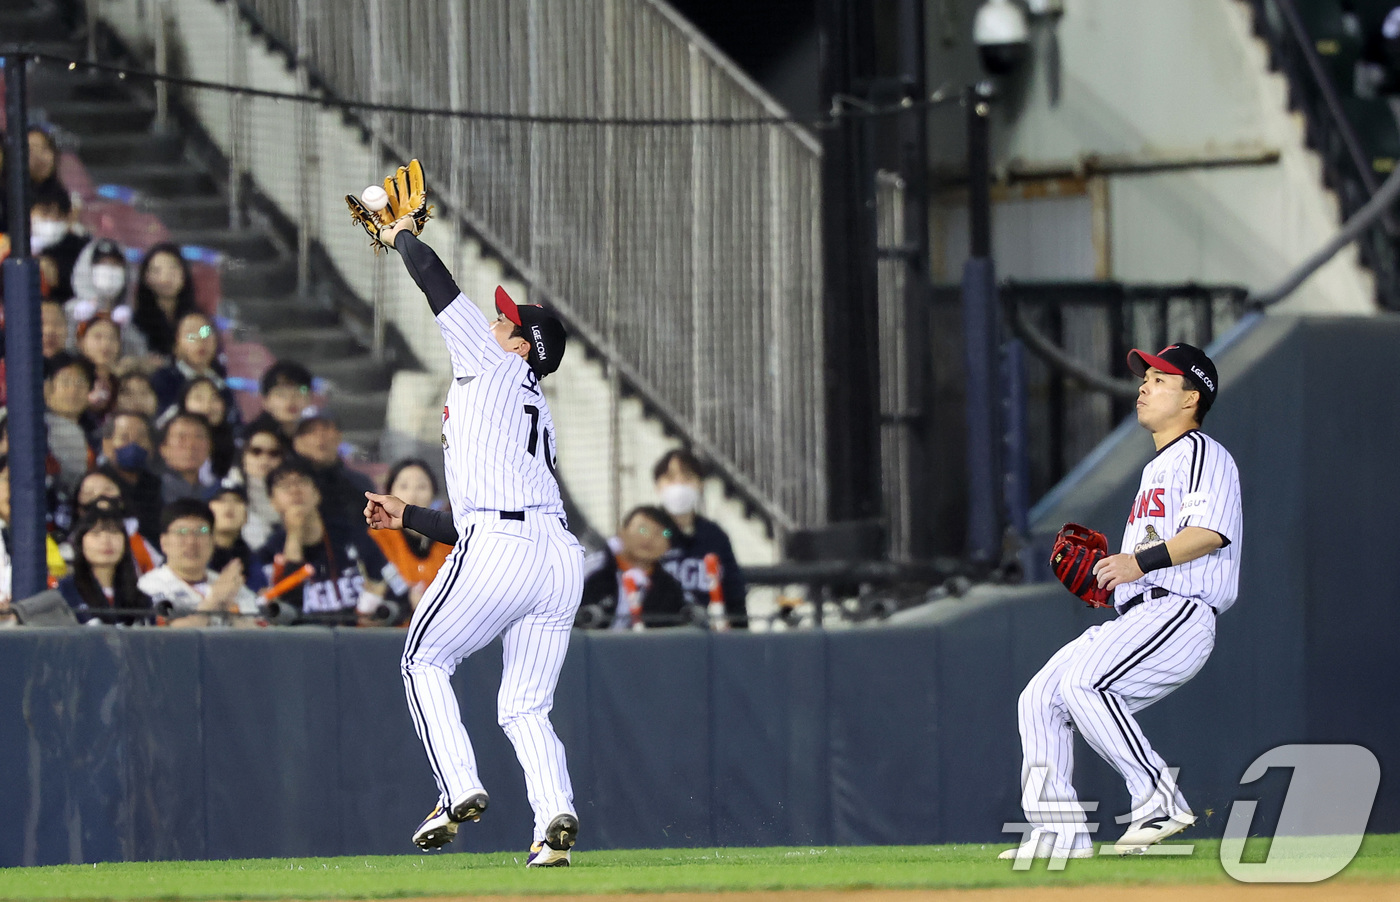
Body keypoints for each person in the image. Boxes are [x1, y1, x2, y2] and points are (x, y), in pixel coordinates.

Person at [361, 214, 582, 866]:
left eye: (507, 321)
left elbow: (437, 284)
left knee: (422, 661)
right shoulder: (530, 403)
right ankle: (553, 821)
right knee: (524, 706)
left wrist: (401, 234)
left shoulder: (488, 362)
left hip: (503, 545)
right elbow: (471, 518)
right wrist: (408, 517)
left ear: (518, 346)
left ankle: (456, 788)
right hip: (557, 554)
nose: (495, 321)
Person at [1001, 343, 1241, 862]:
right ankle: (1059, 832)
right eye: (1145, 378)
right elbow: (1156, 551)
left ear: (1190, 398)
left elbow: (1209, 533)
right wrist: (1116, 580)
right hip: (1144, 610)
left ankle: (1158, 800)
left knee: (1085, 681)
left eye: (1160, 380)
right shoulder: (1159, 466)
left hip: (1180, 610)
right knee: (1040, 698)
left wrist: (1137, 564)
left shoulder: (1203, 453)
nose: (1143, 387)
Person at [259, 458, 405, 624]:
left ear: (317, 494)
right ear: (273, 502)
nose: (295, 490)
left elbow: (400, 595)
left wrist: (381, 616)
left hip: (360, 640)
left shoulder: (353, 536)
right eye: (285, 485)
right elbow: (285, 613)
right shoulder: (269, 553)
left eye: (302, 482)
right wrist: (293, 538)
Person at [652, 449, 747, 629]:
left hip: (707, 636)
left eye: (687, 478)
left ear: (700, 485)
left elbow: (734, 591)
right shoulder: (648, 531)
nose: (679, 484)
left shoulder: (713, 535)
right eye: (670, 478)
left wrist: (737, 628)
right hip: (658, 635)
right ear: (658, 486)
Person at [138, 498, 259, 628]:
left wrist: (231, 607)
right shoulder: (150, 585)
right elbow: (169, 638)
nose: (191, 541)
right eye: (182, 532)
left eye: (201, 531)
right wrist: (215, 600)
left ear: (213, 541)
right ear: (164, 542)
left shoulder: (227, 585)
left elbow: (258, 635)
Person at [579, 506, 690, 630]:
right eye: (643, 530)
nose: (649, 539)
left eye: (662, 534)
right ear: (621, 532)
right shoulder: (593, 568)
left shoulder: (669, 588)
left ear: (668, 547)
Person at [368, 459, 453, 612]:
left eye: (421, 487)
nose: (412, 495)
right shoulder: (376, 538)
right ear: (389, 493)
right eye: (403, 486)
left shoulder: (449, 539)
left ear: (433, 492)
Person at [53, 504, 153, 625]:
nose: (106, 540)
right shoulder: (65, 592)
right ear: (80, 543)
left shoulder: (141, 598)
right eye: (96, 533)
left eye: (114, 532)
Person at [291, 414, 376, 529]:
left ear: (339, 436)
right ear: (296, 442)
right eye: (310, 431)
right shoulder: (288, 484)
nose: (320, 437)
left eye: (326, 429)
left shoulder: (360, 484)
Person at [72, 468, 162, 574]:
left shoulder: (140, 535)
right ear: (79, 508)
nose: (100, 496)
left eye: (107, 490)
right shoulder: (71, 543)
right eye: (89, 493)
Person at [96, 410, 164, 542]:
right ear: (106, 445)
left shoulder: (156, 485)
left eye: (140, 438)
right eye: (124, 438)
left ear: (151, 447)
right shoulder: (97, 484)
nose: (133, 445)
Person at [150, 311, 232, 416]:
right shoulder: (163, 380)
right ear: (177, 343)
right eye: (191, 335)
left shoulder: (221, 385)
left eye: (206, 332)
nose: (201, 340)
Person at [131, 243, 197, 360]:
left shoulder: (197, 315)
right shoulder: (136, 322)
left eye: (173, 269)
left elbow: (207, 332)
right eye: (157, 271)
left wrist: (191, 339)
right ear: (146, 277)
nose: (165, 278)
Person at [43, 350, 96, 492]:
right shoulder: (36, 428)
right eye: (65, 382)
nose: (73, 390)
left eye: (80, 384)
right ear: (47, 388)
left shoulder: (96, 433)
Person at [228, 425, 286, 550]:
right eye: (256, 451)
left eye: (274, 453)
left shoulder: (291, 492)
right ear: (244, 455)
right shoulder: (226, 490)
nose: (264, 458)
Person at [208, 481, 266, 593]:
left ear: (246, 517)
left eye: (237, 501)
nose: (229, 506)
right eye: (221, 500)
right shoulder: (195, 552)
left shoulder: (251, 560)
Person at [246, 360, 314, 441]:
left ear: (309, 399)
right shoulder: (253, 439)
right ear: (265, 400)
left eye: (298, 394)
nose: (291, 400)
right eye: (282, 395)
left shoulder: (311, 436)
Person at [156, 411, 215, 503]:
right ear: (163, 449)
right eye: (182, 437)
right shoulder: (151, 489)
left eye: (199, 437)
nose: (191, 444)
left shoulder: (216, 493)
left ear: (210, 448)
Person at [77, 315, 122, 422]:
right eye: (98, 337)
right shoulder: (74, 375)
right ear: (81, 342)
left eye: (112, 338)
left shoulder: (118, 382)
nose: (106, 344)